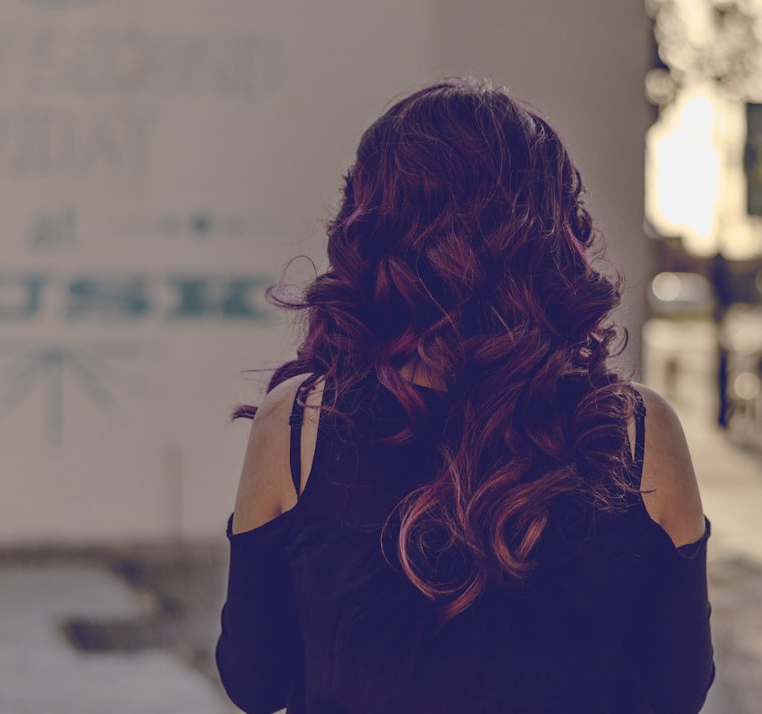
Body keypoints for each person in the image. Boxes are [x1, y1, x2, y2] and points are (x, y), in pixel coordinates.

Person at [216, 78, 714, 714]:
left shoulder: (299, 422)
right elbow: (676, 690)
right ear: (554, 232)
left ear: (371, 228)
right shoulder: (640, 431)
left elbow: (257, 683)